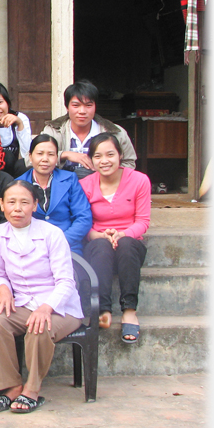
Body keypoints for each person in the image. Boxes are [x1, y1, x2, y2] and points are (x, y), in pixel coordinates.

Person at [0, 180, 83, 413]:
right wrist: (4, 290)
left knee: (39, 327)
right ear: (1, 205)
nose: (17, 208)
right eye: (11, 202)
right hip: (24, 303)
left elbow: (66, 281)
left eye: (24, 202)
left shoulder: (52, 233)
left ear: (35, 205)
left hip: (60, 307)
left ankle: (32, 390)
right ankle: (11, 387)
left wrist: (46, 308)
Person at [80, 132, 150, 343]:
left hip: (130, 243)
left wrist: (123, 234)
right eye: (98, 156)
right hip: (98, 242)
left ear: (120, 155)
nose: (105, 161)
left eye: (110, 154)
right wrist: (99, 235)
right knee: (101, 246)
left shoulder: (139, 180)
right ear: (91, 160)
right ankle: (103, 309)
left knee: (127, 245)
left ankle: (129, 310)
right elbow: (84, 223)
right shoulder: (85, 184)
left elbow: (143, 221)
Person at [41, 79, 136, 179]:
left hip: (101, 188)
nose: (82, 111)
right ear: (67, 107)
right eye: (76, 105)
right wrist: (65, 155)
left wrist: (105, 175)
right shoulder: (53, 131)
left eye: (88, 105)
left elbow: (129, 163)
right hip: (61, 187)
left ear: (95, 106)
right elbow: (32, 159)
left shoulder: (116, 133)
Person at [16, 134, 92, 255]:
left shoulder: (70, 179)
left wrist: (61, 241)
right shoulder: (19, 184)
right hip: (32, 249)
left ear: (57, 158)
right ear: (30, 156)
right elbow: (16, 220)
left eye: (51, 154)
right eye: (40, 154)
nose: (45, 159)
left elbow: (83, 217)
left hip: (68, 245)